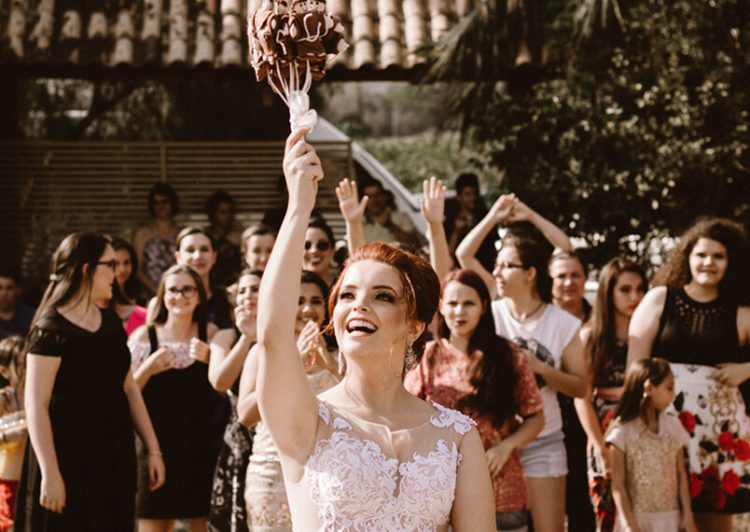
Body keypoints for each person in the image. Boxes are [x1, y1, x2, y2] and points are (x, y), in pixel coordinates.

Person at [252, 128, 495, 530]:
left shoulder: (457, 436)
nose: (359, 304)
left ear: (415, 326)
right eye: (347, 295)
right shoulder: (308, 421)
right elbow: (272, 337)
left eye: (383, 296)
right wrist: (298, 208)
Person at [456, 194, 588, 532]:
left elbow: (582, 387)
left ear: (530, 273)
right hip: (492, 442)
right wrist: (493, 216)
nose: (496, 272)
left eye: (506, 266)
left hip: (544, 440)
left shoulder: (561, 323)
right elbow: (463, 255)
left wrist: (541, 368)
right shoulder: (491, 312)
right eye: (496, 266)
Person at [17, 232, 164, 531]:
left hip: (111, 456)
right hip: (65, 458)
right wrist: (50, 473)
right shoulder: (51, 329)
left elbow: (128, 387)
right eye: (110, 264)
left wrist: (153, 449)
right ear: (87, 269)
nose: (117, 272)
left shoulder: (110, 322)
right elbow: (36, 405)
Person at [628, 218, 750, 531]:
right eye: (701, 255)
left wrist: (746, 370)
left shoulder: (742, 312)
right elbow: (635, 367)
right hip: (663, 419)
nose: (708, 263)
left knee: (714, 519)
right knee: (663, 512)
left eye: (718, 256)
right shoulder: (660, 299)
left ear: (732, 262)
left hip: (718, 428)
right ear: (687, 257)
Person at [405, 268, 545, 532]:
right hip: (442, 493)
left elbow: (536, 417)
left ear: (483, 306)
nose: (460, 311)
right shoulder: (427, 356)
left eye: (468, 303)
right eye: (453, 303)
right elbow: (406, 414)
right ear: (441, 307)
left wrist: (507, 446)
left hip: (501, 491)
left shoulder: (509, 355)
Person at [130, 264, 232, 532]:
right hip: (154, 450)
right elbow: (125, 394)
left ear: (199, 296)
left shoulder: (211, 334)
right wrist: (148, 369)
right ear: (163, 296)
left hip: (201, 452)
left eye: (188, 289)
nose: (180, 296)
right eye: (173, 290)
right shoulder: (144, 336)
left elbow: (227, 388)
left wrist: (211, 360)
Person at [237, 270, 339, 530]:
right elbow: (246, 414)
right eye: (298, 301)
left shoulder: (342, 355)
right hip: (272, 474)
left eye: (316, 301)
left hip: (330, 475)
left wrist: (331, 367)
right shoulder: (263, 352)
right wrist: (294, 366)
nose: (307, 309)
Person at [575, 258, 648, 531]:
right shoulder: (591, 336)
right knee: (607, 510)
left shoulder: (649, 332)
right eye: (625, 289)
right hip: (605, 426)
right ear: (608, 291)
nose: (634, 297)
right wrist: (598, 445)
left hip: (644, 422)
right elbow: (582, 397)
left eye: (640, 289)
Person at [606, 358, 696, 532]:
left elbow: (680, 474)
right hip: (637, 521)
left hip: (669, 521)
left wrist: (688, 515)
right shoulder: (622, 432)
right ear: (648, 388)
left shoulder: (673, 427)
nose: (673, 394)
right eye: (669, 388)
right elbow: (618, 485)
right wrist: (630, 525)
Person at [208, 269, 261, 532]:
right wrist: (247, 337)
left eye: (255, 289)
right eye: (242, 291)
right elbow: (220, 382)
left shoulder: (283, 333)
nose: (248, 295)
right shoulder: (225, 336)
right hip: (238, 435)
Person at [549, 251, 596, 532]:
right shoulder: (541, 318)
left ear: (585, 278)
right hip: (547, 419)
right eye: (561, 276)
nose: (569, 282)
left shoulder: (599, 319)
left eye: (575, 275)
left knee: (582, 502)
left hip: (587, 419)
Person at [133, 183, 180, 301]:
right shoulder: (143, 233)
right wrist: (157, 290)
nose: (161, 206)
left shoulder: (181, 233)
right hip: (149, 296)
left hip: (177, 294)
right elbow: (136, 269)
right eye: (156, 203)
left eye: (165, 202)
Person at [0, 335, 27, 530]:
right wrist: (9, 436)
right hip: (10, 481)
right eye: (19, 364)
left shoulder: (40, 397)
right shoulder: (4, 399)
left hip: (33, 481)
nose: (25, 369)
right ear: (3, 371)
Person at [443, 172, 495, 271]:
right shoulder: (450, 221)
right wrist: (456, 232)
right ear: (459, 197)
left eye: (474, 194)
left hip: (484, 269)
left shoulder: (486, 218)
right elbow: (447, 254)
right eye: (467, 194)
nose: (472, 198)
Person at [359, 177, 420, 247]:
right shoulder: (359, 223)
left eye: (377, 194)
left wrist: (390, 225)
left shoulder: (400, 217)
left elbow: (415, 244)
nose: (374, 200)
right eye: (369, 196)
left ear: (384, 196)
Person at [109, 236, 148, 336]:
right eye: (116, 264)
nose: (122, 269)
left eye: (126, 263)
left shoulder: (142, 298)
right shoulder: (101, 301)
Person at [206, 190, 243, 288]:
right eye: (222, 212)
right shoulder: (206, 236)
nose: (227, 216)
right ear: (213, 213)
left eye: (230, 212)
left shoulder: (239, 237)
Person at [0, 269, 34, 340]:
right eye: (0, 288)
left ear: (18, 289)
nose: (4, 294)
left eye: (9, 288)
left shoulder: (30, 318)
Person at [303, 217, 337, 287]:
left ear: (332, 252)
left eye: (322, 245)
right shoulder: (287, 287)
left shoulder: (343, 288)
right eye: (307, 245)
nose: (314, 250)